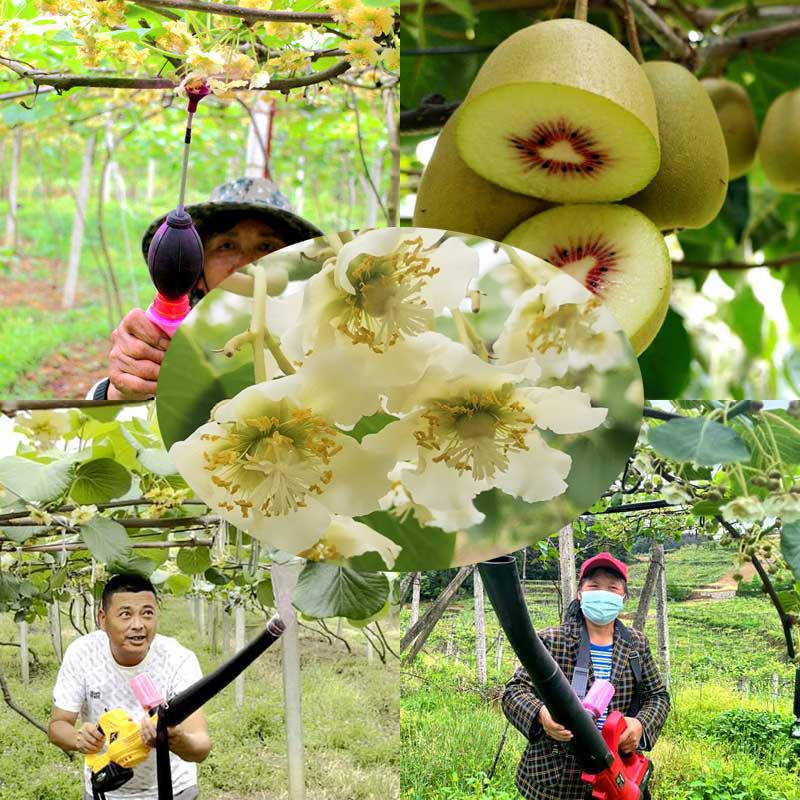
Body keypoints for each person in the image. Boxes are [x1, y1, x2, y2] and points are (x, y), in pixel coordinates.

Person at [90, 177, 322, 401]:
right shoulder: (172, 347)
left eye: (267, 246)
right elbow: (105, 419)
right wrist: (120, 392)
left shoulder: (321, 343)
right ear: (195, 272)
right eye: (227, 246)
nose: (246, 263)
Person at [502, 552, 670, 800]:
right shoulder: (552, 640)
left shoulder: (636, 644)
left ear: (623, 597)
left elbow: (658, 696)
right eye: (594, 586)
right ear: (580, 593)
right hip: (556, 778)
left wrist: (640, 724)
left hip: (616, 773)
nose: (603, 593)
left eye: (612, 588)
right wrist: (541, 715)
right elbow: (514, 691)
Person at [48, 574, 211, 800]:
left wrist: (175, 739)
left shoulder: (178, 659)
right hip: (106, 789)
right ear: (102, 619)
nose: (138, 625)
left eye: (147, 613)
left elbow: (201, 747)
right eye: (125, 614)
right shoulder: (82, 654)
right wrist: (78, 738)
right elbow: (57, 726)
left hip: (173, 790)